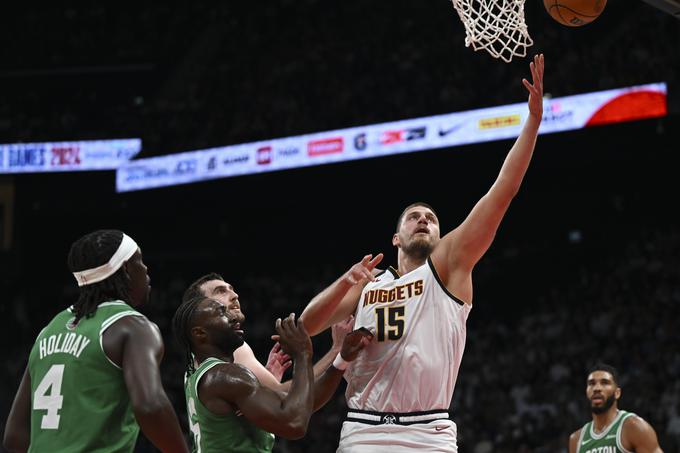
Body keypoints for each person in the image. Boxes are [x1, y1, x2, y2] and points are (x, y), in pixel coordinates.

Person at [299, 54, 545, 452]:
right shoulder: (367, 285)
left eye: (430, 218)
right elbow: (308, 325)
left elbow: (503, 190)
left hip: (429, 433)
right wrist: (345, 281)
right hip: (364, 430)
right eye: (413, 217)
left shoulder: (448, 266)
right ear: (395, 238)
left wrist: (532, 123)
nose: (423, 220)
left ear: (441, 233)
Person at [3, 229, 188, 453]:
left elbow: (15, 434)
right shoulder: (133, 327)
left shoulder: (48, 330)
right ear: (126, 269)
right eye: (140, 260)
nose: (146, 269)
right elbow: (150, 406)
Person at [172, 296, 372, 452]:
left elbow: (301, 404)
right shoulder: (225, 376)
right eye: (221, 312)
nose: (234, 317)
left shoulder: (199, 375)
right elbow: (294, 423)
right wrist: (302, 354)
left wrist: (341, 360)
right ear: (200, 333)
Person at [182, 273, 354, 392]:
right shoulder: (230, 348)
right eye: (221, 291)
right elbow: (285, 398)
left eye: (231, 288)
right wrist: (336, 350)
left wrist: (262, 383)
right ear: (201, 308)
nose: (234, 295)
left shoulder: (198, 356)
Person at [568, 363, 664, 453]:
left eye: (604, 383)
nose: (597, 388)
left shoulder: (634, 427)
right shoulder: (576, 440)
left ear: (617, 393)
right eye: (591, 383)